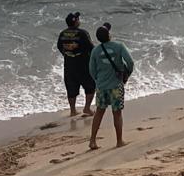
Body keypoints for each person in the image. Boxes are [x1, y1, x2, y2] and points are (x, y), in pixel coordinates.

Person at [88, 22, 134, 150]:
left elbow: (91, 70)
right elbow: (130, 62)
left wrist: (98, 80)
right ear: (109, 35)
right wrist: (126, 75)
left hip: (102, 86)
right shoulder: (119, 46)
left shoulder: (95, 51)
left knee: (99, 112)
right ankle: (119, 141)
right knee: (117, 113)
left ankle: (92, 140)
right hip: (116, 85)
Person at [55, 12, 95, 117]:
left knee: (71, 87)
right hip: (83, 65)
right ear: (75, 21)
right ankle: (87, 108)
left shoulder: (62, 33)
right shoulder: (83, 33)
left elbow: (59, 46)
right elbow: (91, 48)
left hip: (69, 65)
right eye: (78, 19)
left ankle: (73, 110)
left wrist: (67, 54)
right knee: (90, 86)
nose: (79, 20)